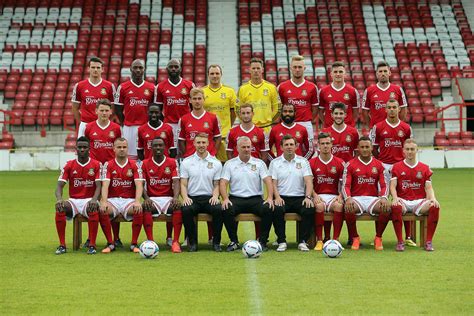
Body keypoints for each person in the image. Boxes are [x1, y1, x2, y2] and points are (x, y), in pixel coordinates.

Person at [369, 99, 414, 246]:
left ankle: (408, 237)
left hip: (400, 168)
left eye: (395, 107)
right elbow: (373, 148)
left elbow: (409, 147)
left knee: (403, 199)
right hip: (383, 167)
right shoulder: (378, 127)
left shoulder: (406, 128)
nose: (392, 109)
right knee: (381, 199)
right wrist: (380, 163)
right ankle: (378, 236)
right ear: (385, 110)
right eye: (389, 107)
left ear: (399, 109)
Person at [220, 136, 274, 251]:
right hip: (236, 198)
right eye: (243, 147)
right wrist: (225, 199)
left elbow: (268, 181)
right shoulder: (230, 164)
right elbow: (223, 183)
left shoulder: (259, 163)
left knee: (268, 208)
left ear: (251, 148)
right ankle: (234, 241)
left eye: (248, 147)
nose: (246, 149)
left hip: (255, 199)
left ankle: (263, 241)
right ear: (237, 148)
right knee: (226, 208)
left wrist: (269, 197)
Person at [54, 137, 102, 254]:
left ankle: (92, 245)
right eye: (79, 147)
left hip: (89, 200)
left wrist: (94, 200)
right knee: (60, 208)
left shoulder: (96, 164)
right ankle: (62, 245)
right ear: (76, 149)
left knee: (93, 208)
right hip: (73, 201)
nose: (82, 149)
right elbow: (59, 186)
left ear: (89, 149)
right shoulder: (69, 165)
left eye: (84, 147)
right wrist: (59, 199)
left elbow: (99, 186)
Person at [390, 139, 440, 251]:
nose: (410, 151)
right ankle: (400, 242)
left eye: (412, 149)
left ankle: (428, 242)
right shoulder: (396, 167)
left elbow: (428, 187)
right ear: (403, 151)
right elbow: (392, 186)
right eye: (407, 149)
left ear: (417, 150)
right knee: (395, 207)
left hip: (419, 202)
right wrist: (395, 198)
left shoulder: (424, 168)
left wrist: (433, 199)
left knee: (435, 206)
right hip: (403, 200)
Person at [342, 137, 391, 251]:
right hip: (356, 198)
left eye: (367, 147)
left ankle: (378, 237)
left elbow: (384, 185)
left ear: (372, 148)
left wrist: (384, 197)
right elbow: (346, 185)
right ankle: (355, 237)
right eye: (362, 147)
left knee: (386, 207)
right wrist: (348, 198)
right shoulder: (350, 164)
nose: (364, 149)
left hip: (372, 199)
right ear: (358, 148)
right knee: (348, 208)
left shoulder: (379, 165)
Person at [180, 134, 224, 252]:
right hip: (193, 198)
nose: (201, 145)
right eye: (198, 143)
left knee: (218, 209)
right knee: (186, 209)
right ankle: (193, 242)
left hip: (209, 198)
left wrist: (215, 196)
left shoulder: (216, 163)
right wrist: (185, 198)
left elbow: (217, 184)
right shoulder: (186, 162)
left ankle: (216, 242)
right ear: (194, 144)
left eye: (203, 143)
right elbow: (183, 184)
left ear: (208, 144)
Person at [270, 135, 315, 252]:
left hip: (299, 197)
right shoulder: (275, 163)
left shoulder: (303, 161)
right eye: (286, 145)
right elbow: (273, 183)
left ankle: (303, 241)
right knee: (277, 209)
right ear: (281, 147)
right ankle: (281, 241)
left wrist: (308, 197)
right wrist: (277, 197)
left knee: (309, 208)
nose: (289, 147)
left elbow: (309, 181)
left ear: (296, 146)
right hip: (282, 197)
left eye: (291, 145)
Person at [100, 138, 144, 253]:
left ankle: (133, 244)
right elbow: (105, 185)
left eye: (124, 147)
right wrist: (104, 201)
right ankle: (110, 243)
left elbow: (139, 184)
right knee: (103, 210)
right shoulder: (108, 164)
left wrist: (137, 201)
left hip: (128, 200)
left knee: (138, 209)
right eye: (119, 147)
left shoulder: (134, 164)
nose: (122, 149)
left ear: (127, 149)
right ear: (114, 149)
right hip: (112, 200)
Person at [141, 137, 182, 253]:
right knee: (146, 206)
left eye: (160, 145)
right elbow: (141, 184)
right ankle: (151, 241)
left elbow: (176, 181)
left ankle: (175, 241)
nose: (158, 148)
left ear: (165, 147)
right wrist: (147, 198)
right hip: (153, 198)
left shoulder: (172, 162)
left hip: (168, 198)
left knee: (177, 205)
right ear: (151, 147)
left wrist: (175, 197)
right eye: (155, 145)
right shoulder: (144, 163)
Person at [309, 133, 345, 251]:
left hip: (334, 196)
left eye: (327, 143)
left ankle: (335, 240)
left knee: (339, 206)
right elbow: (308, 183)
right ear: (318, 145)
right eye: (322, 143)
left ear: (332, 145)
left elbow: (344, 183)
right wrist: (314, 195)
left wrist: (340, 196)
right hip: (318, 195)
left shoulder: (340, 162)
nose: (325, 146)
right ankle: (320, 240)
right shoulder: (312, 162)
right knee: (318, 206)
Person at [114, 59, 155, 159]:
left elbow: (155, 109)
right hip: (129, 127)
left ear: (144, 70)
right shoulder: (123, 87)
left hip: (146, 127)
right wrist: (125, 122)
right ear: (131, 69)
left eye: (140, 68)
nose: (138, 70)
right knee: (129, 158)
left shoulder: (151, 87)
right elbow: (117, 109)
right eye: (135, 67)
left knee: (146, 157)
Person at [154, 59, 195, 148]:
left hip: (186, 124)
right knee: (170, 151)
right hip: (168, 124)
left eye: (176, 67)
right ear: (166, 69)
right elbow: (158, 109)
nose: (173, 69)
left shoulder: (190, 85)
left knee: (186, 150)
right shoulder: (160, 87)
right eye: (171, 67)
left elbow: (194, 107)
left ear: (180, 69)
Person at [72, 57, 116, 137]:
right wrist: (82, 122)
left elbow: (113, 108)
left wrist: (105, 121)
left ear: (102, 69)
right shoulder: (79, 86)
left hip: (103, 125)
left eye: (98, 67)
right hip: (85, 124)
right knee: (83, 148)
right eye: (93, 67)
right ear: (88, 69)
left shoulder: (109, 86)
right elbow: (75, 108)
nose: (95, 70)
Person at [277, 55, 319, 137]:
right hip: (287, 124)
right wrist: (286, 119)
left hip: (306, 124)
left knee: (308, 150)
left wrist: (306, 120)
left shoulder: (312, 87)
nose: (297, 70)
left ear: (304, 68)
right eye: (295, 67)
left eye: (300, 67)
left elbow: (315, 109)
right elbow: (278, 108)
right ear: (290, 68)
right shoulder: (281, 87)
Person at [203, 64, 237, 161]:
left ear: (221, 74)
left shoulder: (229, 91)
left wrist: (227, 125)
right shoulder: (202, 91)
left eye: (217, 73)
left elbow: (233, 113)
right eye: (212, 73)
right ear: (208, 75)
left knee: (225, 164)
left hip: (224, 136)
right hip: (208, 136)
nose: (215, 76)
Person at [237, 57, 281, 133]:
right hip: (249, 128)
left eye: (258, 68)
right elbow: (237, 109)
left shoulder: (271, 87)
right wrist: (246, 121)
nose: (256, 71)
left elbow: (278, 108)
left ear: (262, 70)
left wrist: (269, 121)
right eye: (253, 68)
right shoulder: (242, 89)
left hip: (266, 129)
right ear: (249, 70)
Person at [362, 60, 407, 128]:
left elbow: (403, 109)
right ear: (377, 74)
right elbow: (365, 111)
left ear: (389, 73)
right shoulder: (369, 91)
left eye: (385, 71)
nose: (383, 73)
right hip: (376, 130)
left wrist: (398, 125)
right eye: (380, 71)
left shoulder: (398, 90)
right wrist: (371, 126)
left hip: (393, 128)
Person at [178, 88, 222, 158]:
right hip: (191, 158)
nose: (197, 101)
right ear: (190, 100)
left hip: (208, 158)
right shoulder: (184, 119)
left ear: (204, 99)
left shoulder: (213, 118)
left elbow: (218, 138)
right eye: (194, 99)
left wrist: (212, 154)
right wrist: (187, 155)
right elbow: (181, 140)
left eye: (199, 98)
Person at [318, 61, 360, 128]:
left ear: (345, 74)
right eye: (335, 72)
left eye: (340, 72)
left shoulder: (353, 91)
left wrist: (348, 125)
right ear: (331, 74)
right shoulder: (323, 91)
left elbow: (356, 112)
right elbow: (320, 112)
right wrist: (328, 124)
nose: (338, 74)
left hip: (348, 130)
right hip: (329, 129)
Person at [84, 99, 122, 164]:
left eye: (106, 110)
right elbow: (85, 147)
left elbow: (119, 148)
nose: (104, 113)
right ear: (96, 111)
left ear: (111, 111)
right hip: (94, 166)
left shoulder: (117, 128)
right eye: (101, 110)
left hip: (111, 166)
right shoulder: (88, 127)